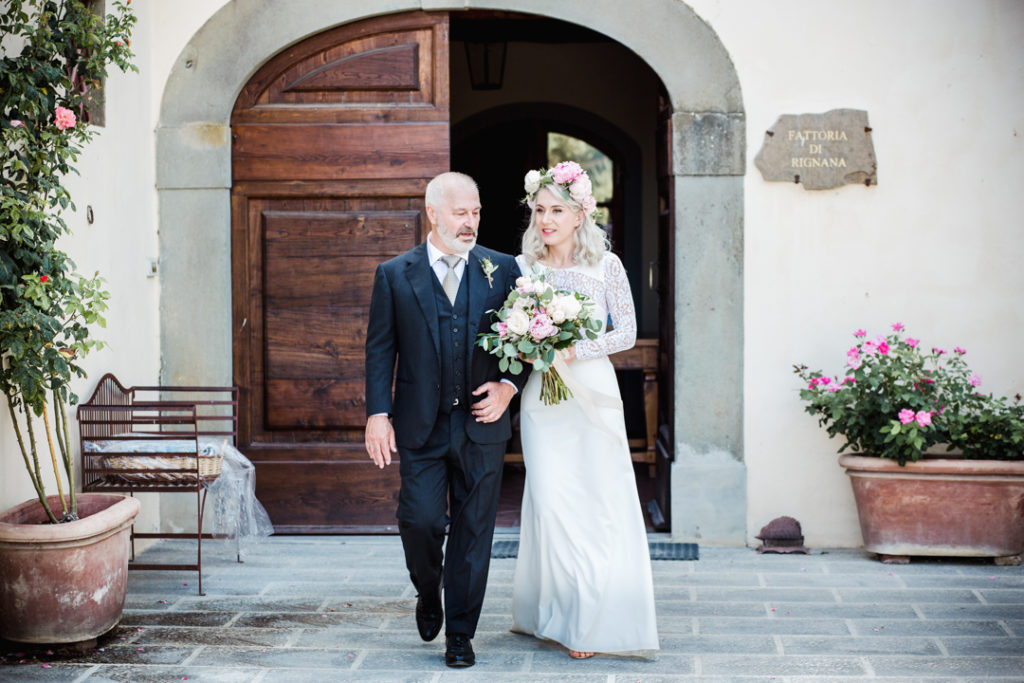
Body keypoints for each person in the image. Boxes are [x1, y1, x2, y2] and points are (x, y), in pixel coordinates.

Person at [364, 172, 526, 668]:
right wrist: (377, 413)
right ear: (432, 213)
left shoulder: (503, 269)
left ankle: (461, 632)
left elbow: (528, 343)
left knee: (475, 531)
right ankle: (427, 590)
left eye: (476, 212)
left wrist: (508, 386)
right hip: (420, 425)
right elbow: (379, 349)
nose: (471, 222)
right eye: (461, 212)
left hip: (482, 423)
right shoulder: (395, 274)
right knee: (421, 521)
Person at [511, 161, 659, 658]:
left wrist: (575, 348)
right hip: (543, 401)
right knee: (552, 503)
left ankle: (591, 620)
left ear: (580, 214)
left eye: (556, 210)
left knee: (597, 501)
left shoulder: (607, 266)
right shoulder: (524, 267)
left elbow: (627, 333)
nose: (545, 220)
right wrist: (532, 346)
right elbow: (512, 329)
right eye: (539, 210)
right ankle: (554, 613)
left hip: (592, 393)